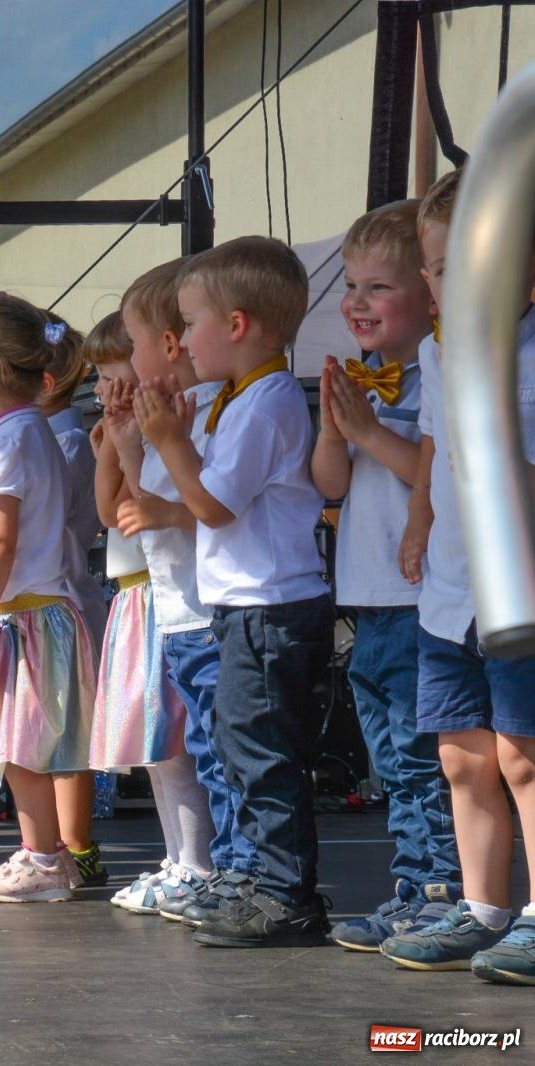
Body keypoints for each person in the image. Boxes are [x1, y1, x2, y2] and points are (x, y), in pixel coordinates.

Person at [133, 235, 333, 947]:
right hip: (247, 606)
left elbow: (213, 506)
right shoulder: (237, 401)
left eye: (190, 324)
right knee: (241, 742)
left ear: (237, 325)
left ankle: (285, 892)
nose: (183, 341)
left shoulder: (265, 403)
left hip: (270, 607)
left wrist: (171, 444)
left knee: (261, 749)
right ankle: (262, 879)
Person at [381, 169, 535, 983]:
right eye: (439, 267)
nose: (450, 283)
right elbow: (435, 446)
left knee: (524, 756)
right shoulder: (440, 351)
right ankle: (484, 909)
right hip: (451, 593)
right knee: (464, 757)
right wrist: (418, 519)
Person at [309, 199, 461, 951]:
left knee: (420, 754)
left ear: (430, 294)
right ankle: (413, 883)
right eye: (351, 285)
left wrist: (370, 429)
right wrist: (337, 428)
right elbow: (329, 483)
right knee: (390, 758)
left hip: (416, 599)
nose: (358, 302)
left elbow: (432, 475)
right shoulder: (366, 376)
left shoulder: (432, 375)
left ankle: (444, 887)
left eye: (380, 286)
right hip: (367, 601)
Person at [114, 258, 250, 926]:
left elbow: (204, 506)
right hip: (175, 610)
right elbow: (140, 506)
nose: (130, 358)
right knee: (194, 746)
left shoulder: (202, 416)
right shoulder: (178, 419)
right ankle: (202, 866)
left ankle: (226, 870)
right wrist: (124, 444)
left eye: (133, 343)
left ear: (168, 347)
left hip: (205, 610)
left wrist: (163, 495)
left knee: (219, 751)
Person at [0, 291, 97, 903]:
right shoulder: (30, 428)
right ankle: (51, 852)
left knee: (21, 747)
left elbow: (0, 538)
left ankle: (41, 858)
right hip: (37, 615)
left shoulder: (7, 441)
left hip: (23, 617)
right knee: (26, 743)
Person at [85, 309, 214, 914]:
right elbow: (108, 511)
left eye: (117, 377)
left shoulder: (175, 426)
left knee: (178, 741)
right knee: (157, 746)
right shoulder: (129, 431)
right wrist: (112, 444)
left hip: (169, 592)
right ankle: (176, 857)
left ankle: (198, 862)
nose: (107, 393)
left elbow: (156, 501)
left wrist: (131, 440)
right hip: (137, 593)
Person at [41, 314, 109, 890]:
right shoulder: (56, 437)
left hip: (63, 598)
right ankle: (54, 842)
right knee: (48, 729)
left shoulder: (64, 442)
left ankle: (77, 844)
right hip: (51, 600)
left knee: (67, 733)